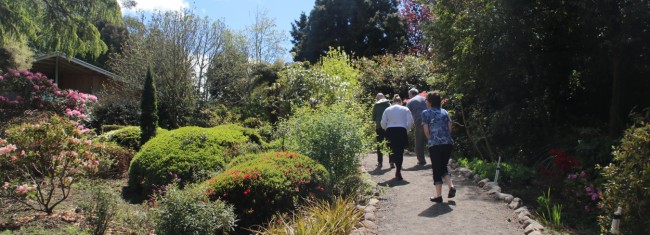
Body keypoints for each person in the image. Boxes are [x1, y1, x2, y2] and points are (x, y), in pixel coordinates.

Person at [421, 91, 455, 203]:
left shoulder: (425, 113)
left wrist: (430, 139)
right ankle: (451, 187)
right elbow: (450, 128)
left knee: (436, 168)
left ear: (430, 102)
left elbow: (426, 131)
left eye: (426, 100)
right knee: (443, 166)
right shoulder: (444, 112)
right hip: (447, 143)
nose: (426, 102)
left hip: (435, 144)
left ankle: (438, 196)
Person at [381, 95, 414, 180]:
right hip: (401, 130)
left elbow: (383, 122)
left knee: (391, 149)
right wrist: (406, 129)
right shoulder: (405, 109)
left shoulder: (387, 109)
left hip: (390, 130)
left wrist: (386, 128)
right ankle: (398, 170)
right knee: (400, 151)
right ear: (401, 102)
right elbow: (410, 121)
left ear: (393, 101)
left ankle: (392, 162)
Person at [406, 88, 427, 165]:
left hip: (419, 122)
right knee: (431, 140)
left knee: (419, 141)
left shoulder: (410, 102)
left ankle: (421, 160)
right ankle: (436, 158)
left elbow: (407, 114)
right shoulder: (425, 99)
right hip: (430, 121)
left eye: (409, 94)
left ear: (411, 94)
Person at [372, 93, 391, 167]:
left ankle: (380, 162)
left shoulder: (376, 105)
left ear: (378, 99)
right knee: (389, 144)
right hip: (388, 126)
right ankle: (391, 162)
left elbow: (373, 117)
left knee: (380, 144)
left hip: (379, 127)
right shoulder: (388, 104)